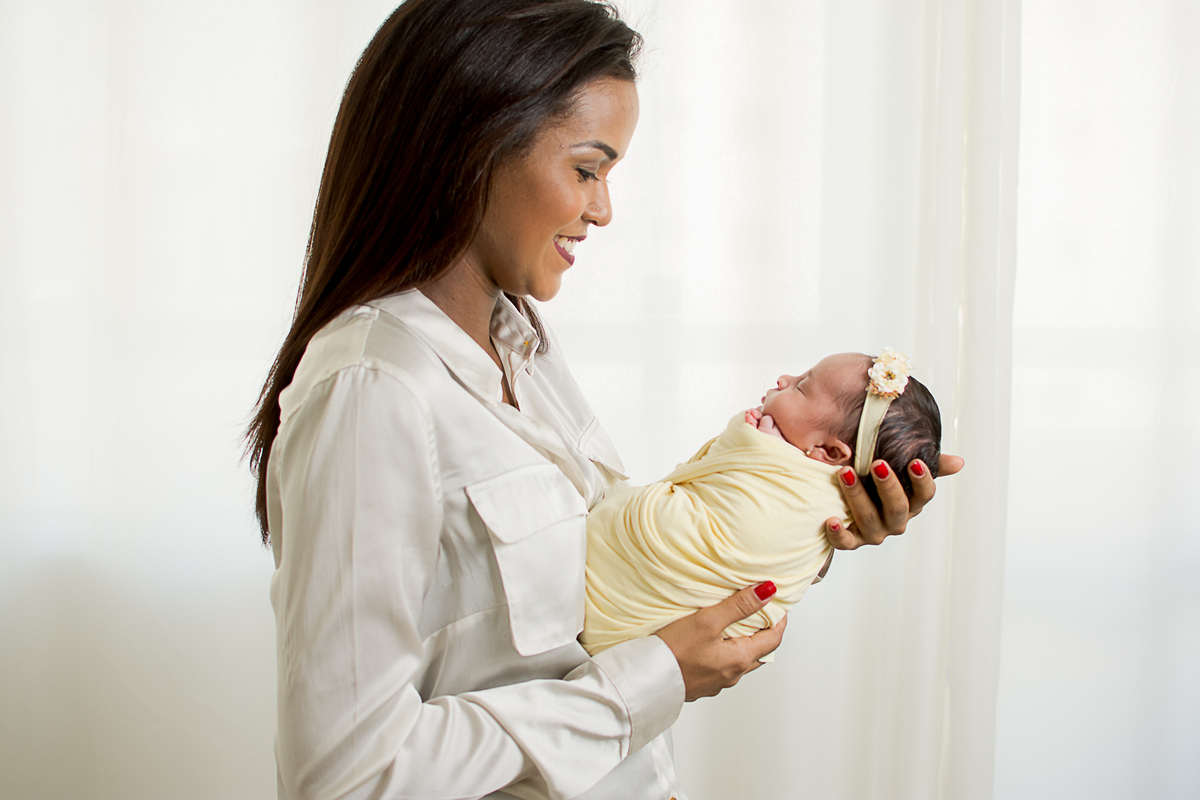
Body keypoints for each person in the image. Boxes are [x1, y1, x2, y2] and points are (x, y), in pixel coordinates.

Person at [244, 1, 961, 798]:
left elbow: (607, 572)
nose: (603, 209)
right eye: (587, 169)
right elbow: (343, 777)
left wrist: (802, 518)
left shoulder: (517, 340)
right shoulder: (373, 392)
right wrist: (652, 680)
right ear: (469, 146)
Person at [582, 350, 941, 657]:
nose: (784, 378)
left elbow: (754, 543)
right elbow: (710, 489)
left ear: (829, 452)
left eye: (801, 386)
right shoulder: (789, 468)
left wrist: (746, 442)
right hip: (621, 644)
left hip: (629, 633)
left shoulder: (818, 500)